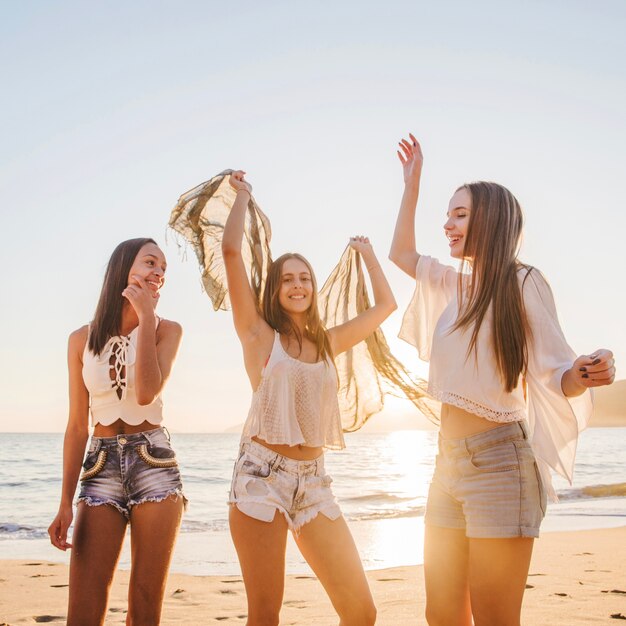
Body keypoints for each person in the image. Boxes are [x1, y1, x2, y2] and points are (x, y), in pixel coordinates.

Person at [389, 135, 615, 626]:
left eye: (460, 214)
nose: (447, 224)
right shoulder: (455, 285)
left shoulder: (523, 282)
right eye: (447, 214)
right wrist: (412, 185)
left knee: (495, 617)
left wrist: (587, 370)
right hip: (445, 466)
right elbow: (402, 254)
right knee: (442, 614)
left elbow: (558, 372)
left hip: (500, 465)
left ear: (490, 220)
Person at [221, 170, 396, 625]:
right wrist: (242, 195)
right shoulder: (259, 336)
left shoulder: (327, 342)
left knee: (361, 611)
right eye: (288, 279)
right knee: (266, 614)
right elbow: (232, 251)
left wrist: (369, 255)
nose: (298, 285)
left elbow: (384, 308)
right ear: (276, 290)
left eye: (305, 278)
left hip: (315, 482)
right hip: (262, 477)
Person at [48, 238, 185, 626]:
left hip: (153, 463)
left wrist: (145, 318)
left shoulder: (166, 330)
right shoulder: (81, 339)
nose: (158, 272)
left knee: (144, 608)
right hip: (100, 465)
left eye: (163, 268)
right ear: (124, 267)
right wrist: (63, 503)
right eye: (150, 262)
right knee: (84, 611)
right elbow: (77, 425)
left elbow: (145, 393)